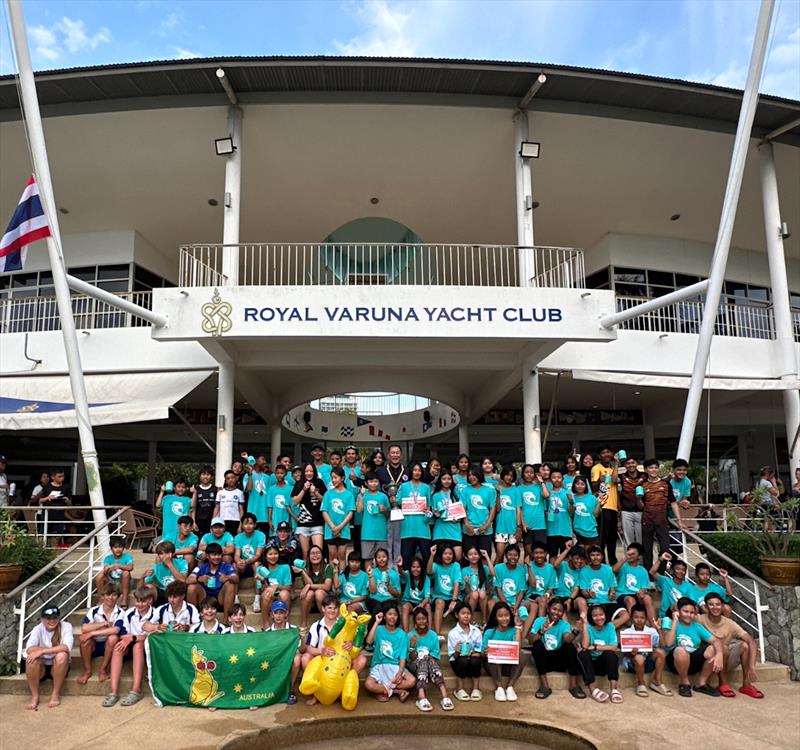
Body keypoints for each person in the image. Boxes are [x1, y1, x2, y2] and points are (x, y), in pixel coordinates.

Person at [697, 592, 763, 699]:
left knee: (745, 645)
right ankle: (723, 683)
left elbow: (751, 641)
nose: (715, 607)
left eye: (718, 604)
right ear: (705, 607)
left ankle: (746, 684)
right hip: (707, 660)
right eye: (711, 604)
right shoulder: (699, 619)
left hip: (725, 660)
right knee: (723, 648)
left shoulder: (729, 623)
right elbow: (681, 612)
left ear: (723, 607)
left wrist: (751, 666)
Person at [104, 585, 159, 708]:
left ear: (150, 600)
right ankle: (114, 692)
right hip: (130, 643)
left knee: (138, 646)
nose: (140, 604)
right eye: (138, 601)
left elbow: (149, 636)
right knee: (118, 647)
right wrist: (129, 638)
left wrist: (133, 638)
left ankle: (136, 690)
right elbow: (123, 633)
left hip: (147, 648)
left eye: (143, 601)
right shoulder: (129, 612)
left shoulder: (155, 613)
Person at [524, 597, 584, 699]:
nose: (556, 613)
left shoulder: (564, 624)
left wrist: (576, 631)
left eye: (560, 611)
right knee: (537, 645)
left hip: (560, 661)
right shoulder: (540, 621)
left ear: (563, 613)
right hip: (544, 661)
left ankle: (574, 685)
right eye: (554, 609)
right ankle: (544, 686)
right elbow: (530, 640)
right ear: (548, 609)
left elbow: (567, 639)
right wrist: (541, 631)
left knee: (570, 647)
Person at [662, 597, 722, 698]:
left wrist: (719, 654)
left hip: (693, 660)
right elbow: (668, 643)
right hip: (675, 661)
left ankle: (701, 683)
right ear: (678, 611)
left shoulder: (696, 626)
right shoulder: (670, 623)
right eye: (685, 611)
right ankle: (684, 683)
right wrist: (675, 621)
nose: (689, 615)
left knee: (713, 648)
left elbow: (716, 640)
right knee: (680, 650)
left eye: (692, 612)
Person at [24, 605, 73, 710]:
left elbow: (66, 647)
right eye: (48, 618)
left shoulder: (66, 626)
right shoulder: (38, 628)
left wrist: (42, 651)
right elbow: (29, 648)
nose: (52, 621)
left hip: (58, 666)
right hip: (41, 668)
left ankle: (55, 694)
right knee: (31, 659)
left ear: (59, 618)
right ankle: (35, 696)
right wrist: (42, 652)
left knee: (62, 655)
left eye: (55, 617)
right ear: (42, 619)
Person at [364, 606, 416, 702]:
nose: (392, 617)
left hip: (395, 666)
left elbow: (403, 656)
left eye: (395, 615)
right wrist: (376, 622)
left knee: (412, 681)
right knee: (368, 684)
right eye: (389, 614)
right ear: (384, 617)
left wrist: (400, 672)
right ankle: (397, 691)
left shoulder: (402, 634)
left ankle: (381, 691)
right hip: (379, 665)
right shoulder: (379, 629)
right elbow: (369, 641)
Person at [640, 459, 685, 570]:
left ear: (658, 469)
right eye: (650, 468)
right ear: (646, 470)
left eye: (655, 467)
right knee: (647, 549)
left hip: (662, 521)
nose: (653, 470)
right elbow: (640, 505)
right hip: (647, 520)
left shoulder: (666, 484)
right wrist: (637, 499)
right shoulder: (642, 485)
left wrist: (679, 521)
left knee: (665, 548)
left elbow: (673, 502)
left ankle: (660, 573)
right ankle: (649, 576)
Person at [408, 607, 454, 711]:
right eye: (418, 619)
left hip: (429, 665)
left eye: (424, 618)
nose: (421, 621)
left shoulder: (433, 635)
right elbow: (410, 659)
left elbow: (434, 656)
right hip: (413, 667)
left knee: (428, 660)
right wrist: (411, 647)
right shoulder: (410, 635)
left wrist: (428, 658)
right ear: (415, 621)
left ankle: (444, 697)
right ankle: (421, 696)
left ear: (428, 620)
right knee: (424, 661)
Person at [620, 604, 671, 697]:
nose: (639, 620)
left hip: (648, 661)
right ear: (631, 618)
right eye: (636, 617)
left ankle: (657, 681)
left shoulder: (651, 631)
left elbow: (663, 645)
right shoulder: (626, 633)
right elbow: (624, 653)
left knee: (661, 652)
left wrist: (659, 629)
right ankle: (641, 683)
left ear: (646, 618)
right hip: (633, 664)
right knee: (639, 658)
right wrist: (630, 653)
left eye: (642, 617)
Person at [482, 601, 529, 702]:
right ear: (495, 617)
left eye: (506, 615)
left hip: (508, 667)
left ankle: (510, 687)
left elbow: (517, 648)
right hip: (493, 666)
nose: (504, 618)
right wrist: (486, 652)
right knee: (492, 652)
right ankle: (499, 687)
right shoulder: (489, 632)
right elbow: (482, 651)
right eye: (500, 616)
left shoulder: (513, 630)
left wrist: (517, 627)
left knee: (521, 655)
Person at [78, 583, 124, 685]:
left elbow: (115, 630)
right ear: (102, 596)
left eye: (114, 595)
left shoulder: (121, 612)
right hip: (95, 644)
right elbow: (84, 628)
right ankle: (87, 670)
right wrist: (104, 623)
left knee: (113, 638)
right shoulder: (94, 611)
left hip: (110, 646)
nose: (110, 598)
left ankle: (103, 669)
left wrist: (92, 633)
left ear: (118, 597)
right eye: (107, 595)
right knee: (84, 639)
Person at [578, 605, 622, 703]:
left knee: (610, 654)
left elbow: (613, 646)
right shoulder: (588, 627)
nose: (599, 618)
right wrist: (585, 624)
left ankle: (614, 689)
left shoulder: (610, 626)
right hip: (590, 665)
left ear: (605, 615)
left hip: (603, 664)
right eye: (595, 616)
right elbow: (585, 646)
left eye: (601, 615)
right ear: (591, 617)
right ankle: (593, 689)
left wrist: (595, 647)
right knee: (583, 653)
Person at [186, 542, 239, 621]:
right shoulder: (201, 567)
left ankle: (226, 620)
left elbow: (236, 579)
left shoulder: (226, 566)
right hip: (205, 597)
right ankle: (194, 619)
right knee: (191, 587)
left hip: (220, 598)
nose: (217, 557)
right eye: (214, 555)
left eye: (219, 555)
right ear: (207, 556)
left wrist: (228, 577)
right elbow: (188, 580)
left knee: (230, 584)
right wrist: (199, 578)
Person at [577, 544, 627, 627]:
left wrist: (612, 594)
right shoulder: (584, 570)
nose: (595, 557)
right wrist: (589, 594)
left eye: (598, 555)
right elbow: (583, 591)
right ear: (589, 557)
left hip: (609, 602)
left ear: (602, 556)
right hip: (594, 603)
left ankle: (606, 629)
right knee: (596, 617)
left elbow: (612, 588)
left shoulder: (608, 569)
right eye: (592, 555)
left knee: (626, 615)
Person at [376, 445, 409, 567]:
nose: (395, 455)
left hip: (402, 511)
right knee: (388, 540)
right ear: (389, 455)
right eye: (392, 453)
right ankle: (388, 566)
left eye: (397, 453)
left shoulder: (407, 471)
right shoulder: (380, 471)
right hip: (386, 511)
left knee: (399, 539)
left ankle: (398, 566)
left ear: (401, 455)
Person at [396, 461, 433, 568]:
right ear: (411, 472)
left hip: (423, 528)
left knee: (426, 558)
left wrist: (427, 517)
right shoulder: (403, 486)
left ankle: (427, 583)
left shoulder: (426, 487)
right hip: (407, 528)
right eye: (415, 470)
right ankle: (408, 584)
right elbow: (398, 502)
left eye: (419, 470)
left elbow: (429, 507)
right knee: (407, 559)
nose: (417, 473)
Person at [266, 600, 301, 704]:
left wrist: (302, 639)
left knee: (297, 658)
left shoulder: (294, 630)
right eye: (276, 613)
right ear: (272, 615)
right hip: (273, 660)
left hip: (289, 658)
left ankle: (290, 690)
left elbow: (301, 649)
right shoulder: (267, 633)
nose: (278, 616)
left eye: (281, 612)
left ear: (286, 614)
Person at [447, 602, 483, 701]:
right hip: (459, 662)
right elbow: (452, 657)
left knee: (475, 659)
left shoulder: (476, 631)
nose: (466, 616)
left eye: (468, 613)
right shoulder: (452, 633)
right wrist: (457, 652)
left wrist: (475, 653)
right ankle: (459, 689)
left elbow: (480, 650)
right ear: (456, 615)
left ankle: (476, 688)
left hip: (472, 661)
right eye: (463, 613)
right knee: (462, 660)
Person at [590, 447, 621, 565]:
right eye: (603, 452)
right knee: (602, 539)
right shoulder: (596, 468)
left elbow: (615, 485)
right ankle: (601, 565)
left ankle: (613, 565)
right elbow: (594, 487)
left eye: (608, 452)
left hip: (613, 508)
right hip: (603, 507)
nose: (606, 454)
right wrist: (600, 481)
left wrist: (619, 509)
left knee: (612, 539)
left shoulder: (613, 469)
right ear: (599, 456)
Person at [613, 542, 657, 625]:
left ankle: (654, 625)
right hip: (622, 595)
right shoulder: (623, 565)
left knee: (647, 598)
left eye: (633, 553)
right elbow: (614, 570)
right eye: (629, 552)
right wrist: (625, 558)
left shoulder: (642, 570)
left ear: (639, 556)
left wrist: (642, 591)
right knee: (630, 599)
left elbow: (644, 587)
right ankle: (634, 626)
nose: (630, 555)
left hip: (637, 595)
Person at [321, 467, 356, 572]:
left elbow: (350, 513)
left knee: (341, 556)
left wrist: (340, 527)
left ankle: (341, 580)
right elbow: (324, 511)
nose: (333, 480)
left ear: (342, 478)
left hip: (343, 530)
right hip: (330, 530)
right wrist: (333, 527)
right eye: (332, 478)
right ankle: (331, 580)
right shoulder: (328, 494)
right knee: (332, 556)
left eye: (336, 478)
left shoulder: (349, 494)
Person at [291, 463, 328, 559]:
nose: (309, 473)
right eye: (306, 471)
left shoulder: (319, 482)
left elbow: (325, 500)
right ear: (303, 472)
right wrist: (304, 489)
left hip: (317, 523)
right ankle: (307, 573)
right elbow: (295, 501)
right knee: (306, 554)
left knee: (318, 552)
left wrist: (315, 492)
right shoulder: (299, 483)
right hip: (303, 524)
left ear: (314, 472)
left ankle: (319, 573)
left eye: (311, 471)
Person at [296, 544, 334, 629]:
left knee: (318, 592)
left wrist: (309, 586)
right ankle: (303, 623)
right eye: (312, 553)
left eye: (318, 553)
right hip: (311, 602)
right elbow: (308, 583)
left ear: (322, 555)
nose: (315, 555)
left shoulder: (328, 567)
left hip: (325, 600)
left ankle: (328, 622)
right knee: (309, 594)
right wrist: (302, 572)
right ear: (308, 557)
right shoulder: (306, 568)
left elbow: (327, 586)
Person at [255, 543, 292, 628]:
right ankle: (266, 623)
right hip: (268, 596)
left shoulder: (285, 567)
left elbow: (288, 587)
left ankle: (285, 621)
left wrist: (276, 587)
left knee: (284, 593)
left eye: (275, 554)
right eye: (270, 554)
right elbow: (262, 591)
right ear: (266, 556)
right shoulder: (260, 569)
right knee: (266, 594)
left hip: (281, 595)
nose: (273, 556)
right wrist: (263, 581)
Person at [461, 465, 496, 557]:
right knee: (470, 557)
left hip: (486, 529)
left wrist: (487, 525)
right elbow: (463, 508)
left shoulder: (489, 490)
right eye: (469, 475)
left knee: (485, 556)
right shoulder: (465, 490)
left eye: (474, 475)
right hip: (469, 529)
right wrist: (467, 524)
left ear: (479, 475)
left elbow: (492, 508)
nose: (471, 477)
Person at [428, 544, 462, 637]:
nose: (448, 556)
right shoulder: (436, 565)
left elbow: (457, 582)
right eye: (445, 553)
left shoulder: (456, 565)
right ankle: (437, 635)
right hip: (439, 596)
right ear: (441, 555)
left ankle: (463, 635)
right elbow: (429, 571)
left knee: (462, 608)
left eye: (450, 554)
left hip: (454, 597)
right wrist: (432, 555)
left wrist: (453, 600)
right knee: (439, 602)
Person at [141, 540, 189, 605]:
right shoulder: (156, 567)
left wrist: (169, 564)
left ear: (171, 554)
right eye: (161, 554)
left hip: (178, 592)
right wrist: (142, 578)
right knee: (149, 587)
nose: (163, 556)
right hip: (163, 592)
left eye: (166, 553)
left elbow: (183, 580)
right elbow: (142, 589)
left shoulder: (182, 563)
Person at [431, 471, 464, 562]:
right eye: (444, 479)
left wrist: (460, 517)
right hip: (440, 531)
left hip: (454, 530)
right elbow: (433, 512)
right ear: (440, 480)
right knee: (439, 559)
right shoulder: (435, 496)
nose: (446, 481)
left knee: (457, 558)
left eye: (449, 479)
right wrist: (435, 514)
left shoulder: (456, 494)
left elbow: (462, 508)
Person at [650, 552, 695, 619]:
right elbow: (652, 572)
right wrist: (661, 559)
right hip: (665, 615)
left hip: (682, 616)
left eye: (683, 570)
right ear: (671, 571)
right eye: (678, 569)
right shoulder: (665, 581)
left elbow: (692, 603)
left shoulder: (689, 586)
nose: (681, 572)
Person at [358, 472, 390, 560]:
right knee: (367, 559)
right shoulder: (363, 495)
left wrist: (384, 509)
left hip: (382, 534)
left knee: (382, 559)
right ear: (366, 483)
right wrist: (361, 495)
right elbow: (359, 510)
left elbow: (389, 515)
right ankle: (369, 574)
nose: (374, 483)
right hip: (367, 533)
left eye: (376, 481)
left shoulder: (383, 496)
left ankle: (380, 574)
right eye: (371, 481)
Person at [36, 468, 72, 546]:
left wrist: (67, 500)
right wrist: (48, 497)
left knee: (57, 535)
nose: (62, 478)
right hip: (48, 513)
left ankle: (53, 551)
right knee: (43, 532)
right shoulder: (47, 487)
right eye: (59, 476)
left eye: (63, 476)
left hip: (60, 513)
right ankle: (39, 550)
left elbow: (70, 503)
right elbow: (39, 500)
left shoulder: (66, 487)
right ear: (53, 477)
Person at [95, 536, 133, 605]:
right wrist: (108, 569)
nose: (118, 549)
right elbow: (105, 572)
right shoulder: (108, 558)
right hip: (111, 584)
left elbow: (130, 567)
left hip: (123, 584)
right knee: (100, 575)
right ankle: (101, 600)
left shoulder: (127, 556)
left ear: (123, 548)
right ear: (111, 549)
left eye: (120, 547)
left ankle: (124, 600)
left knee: (126, 573)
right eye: (115, 547)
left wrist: (119, 566)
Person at [492, 543, 528, 614]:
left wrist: (516, 606)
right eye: (510, 555)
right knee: (491, 603)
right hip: (500, 599)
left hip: (516, 600)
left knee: (525, 610)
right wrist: (506, 605)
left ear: (519, 556)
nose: (513, 557)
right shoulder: (498, 568)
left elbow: (522, 591)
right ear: (505, 556)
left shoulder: (522, 570)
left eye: (515, 555)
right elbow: (498, 588)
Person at [494, 465, 521, 561]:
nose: (509, 478)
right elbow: (497, 509)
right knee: (499, 556)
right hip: (501, 527)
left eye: (511, 476)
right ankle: (493, 575)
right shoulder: (497, 489)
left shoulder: (516, 490)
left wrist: (518, 527)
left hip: (513, 528)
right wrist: (498, 494)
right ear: (503, 475)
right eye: (507, 475)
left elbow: (518, 509)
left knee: (513, 557)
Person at [545, 469, 572, 561]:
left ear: (562, 479)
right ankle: (553, 575)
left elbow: (572, 512)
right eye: (554, 477)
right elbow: (545, 509)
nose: (556, 480)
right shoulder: (547, 493)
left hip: (565, 529)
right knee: (552, 555)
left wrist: (571, 501)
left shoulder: (567, 492)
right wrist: (547, 513)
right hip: (551, 530)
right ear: (550, 479)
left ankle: (564, 575)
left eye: (559, 477)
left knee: (566, 556)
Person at [552, 541, 586, 615]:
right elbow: (555, 564)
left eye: (581, 559)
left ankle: (584, 621)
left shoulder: (580, 570)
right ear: (570, 557)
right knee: (560, 607)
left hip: (571, 597)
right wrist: (567, 550)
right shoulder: (563, 565)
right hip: (558, 596)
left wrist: (570, 599)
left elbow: (576, 588)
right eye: (577, 558)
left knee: (581, 601)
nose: (579, 561)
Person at [367, 547, 402, 618]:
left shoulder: (394, 574)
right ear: (375, 560)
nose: (381, 559)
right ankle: (373, 629)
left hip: (389, 600)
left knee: (388, 608)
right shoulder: (372, 571)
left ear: (388, 558)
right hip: (374, 600)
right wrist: (370, 576)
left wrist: (388, 585)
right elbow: (373, 591)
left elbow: (398, 595)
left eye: (384, 557)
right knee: (378, 608)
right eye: (379, 557)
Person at [155, 479, 194, 543]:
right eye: (179, 487)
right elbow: (158, 505)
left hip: (182, 529)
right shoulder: (167, 498)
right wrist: (162, 491)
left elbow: (191, 510)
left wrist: (194, 493)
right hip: (168, 528)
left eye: (183, 487)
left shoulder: (187, 500)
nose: (181, 489)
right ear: (174, 488)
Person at [461, 546, 493, 623]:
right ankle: (471, 619)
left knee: (481, 592)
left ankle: (484, 620)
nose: (473, 556)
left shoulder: (484, 568)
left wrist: (486, 556)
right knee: (475, 594)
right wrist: (467, 583)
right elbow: (466, 591)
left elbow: (493, 573)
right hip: (470, 598)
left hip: (483, 598)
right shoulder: (464, 570)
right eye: (470, 554)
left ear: (479, 556)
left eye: (476, 554)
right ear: (466, 557)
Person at [668, 459, 694, 556]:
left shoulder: (687, 482)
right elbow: (666, 501)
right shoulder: (669, 480)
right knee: (666, 541)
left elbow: (684, 500)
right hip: (664, 514)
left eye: (684, 470)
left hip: (675, 515)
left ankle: (673, 564)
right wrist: (679, 503)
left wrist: (684, 503)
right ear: (673, 470)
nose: (682, 472)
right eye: (679, 470)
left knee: (677, 542)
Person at [526, 542, 558, 618]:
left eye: (541, 553)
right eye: (536, 553)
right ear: (532, 554)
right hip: (531, 595)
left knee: (557, 604)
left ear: (546, 553)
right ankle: (541, 625)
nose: (539, 555)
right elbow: (533, 584)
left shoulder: (550, 568)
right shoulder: (528, 566)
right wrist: (529, 567)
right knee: (542, 600)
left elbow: (551, 587)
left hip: (546, 595)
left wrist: (546, 595)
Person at [400, 556, 431, 630]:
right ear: (410, 568)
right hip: (409, 602)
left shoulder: (426, 578)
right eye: (413, 567)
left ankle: (429, 632)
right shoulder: (408, 574)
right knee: (405, 607)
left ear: (422, 568)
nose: (415, 569)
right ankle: (406, 633)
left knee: (428, 606)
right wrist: (400, 567)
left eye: (418, 567)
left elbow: (427, 597)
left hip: (421, 603)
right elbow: (402, 573)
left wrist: (421, 605)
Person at [619, 456, 644, 546]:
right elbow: (613, 480)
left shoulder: (644, 476)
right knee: (628, 539)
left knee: (641, 538)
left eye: (633, 462)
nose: (631, 465)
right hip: (626, 511)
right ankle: (629, 559)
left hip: (641, 510)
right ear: (625, 465)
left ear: (637, 463)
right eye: (628, 463)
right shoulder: (622, 476)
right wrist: (616, 462)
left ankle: (641, 560)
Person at [234, 512, 266, 583]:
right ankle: (235, 593)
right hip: (243, 565)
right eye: (246, 524)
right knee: (234, 565)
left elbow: (258, 555)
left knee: (256, 564)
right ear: (242, 525)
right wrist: (239, 562)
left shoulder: (261, 535)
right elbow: (237, 554)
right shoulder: (237, 537)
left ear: (255, 525)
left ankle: (257, 593)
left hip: (255, 563)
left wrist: (247, 561)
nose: (248, 526)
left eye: (251, 523)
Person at [570, 476, 600, 546]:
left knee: (590, 555)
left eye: (582, 484)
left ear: (586, 486)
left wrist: (599, 502)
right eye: (577, 484)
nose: (580, 486)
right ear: (574, 485)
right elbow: (570, 514)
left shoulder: (592, 498)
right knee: (578, 555)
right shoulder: (572, 498)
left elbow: (596, 515)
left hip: (591, 531)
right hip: (577, 531)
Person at [214, 470, 245, 536]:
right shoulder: (220, 493)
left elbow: (241, 510)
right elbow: (217, 508)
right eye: (228, 478)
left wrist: (241, 524)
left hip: (236, 521)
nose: (230, 480)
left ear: (236, 478)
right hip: (223, 520)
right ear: (225, 481)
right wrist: (213, 521)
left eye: (232, 477)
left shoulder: (239, 492)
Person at [267, 463, 295, 534]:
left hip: (286, 519)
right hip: (275, 520)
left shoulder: (290, 489)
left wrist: (291, 521)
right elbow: (270, 506)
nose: (279, 475)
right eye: (277, 473)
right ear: (275, 474)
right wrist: (270, 520)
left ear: (285, 474)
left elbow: (291, 506)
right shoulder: (271, 489)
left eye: (282, 473)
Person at [192, 466, 218, 535]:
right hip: (198, 521)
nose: (205, 477)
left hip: (211, 521)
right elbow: (192, 508)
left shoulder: (216, 490)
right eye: (203, 474)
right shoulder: (196, 489)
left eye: (208, 474)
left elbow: (217, 507)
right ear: (200, 476)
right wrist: (193, 522)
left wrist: (214, 522)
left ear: (212, 477)